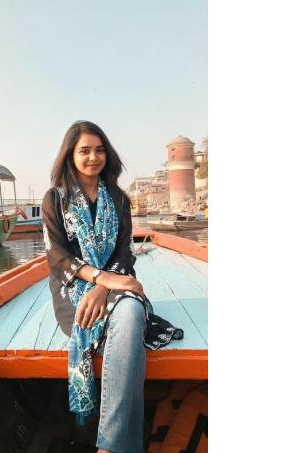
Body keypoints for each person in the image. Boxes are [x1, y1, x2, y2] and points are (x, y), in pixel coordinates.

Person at [42, 121, 182, 453]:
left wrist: (104, 288)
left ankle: (107, 447)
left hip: (112, 285)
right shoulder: (55, 199)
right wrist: (100, 279)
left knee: (130, 310)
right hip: (71, 289)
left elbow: (123, 254)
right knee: (131, 326)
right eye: (84, 151)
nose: (93, 157)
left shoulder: (118, 199)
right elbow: (57, 257)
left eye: (99, 150)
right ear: (70, 155)